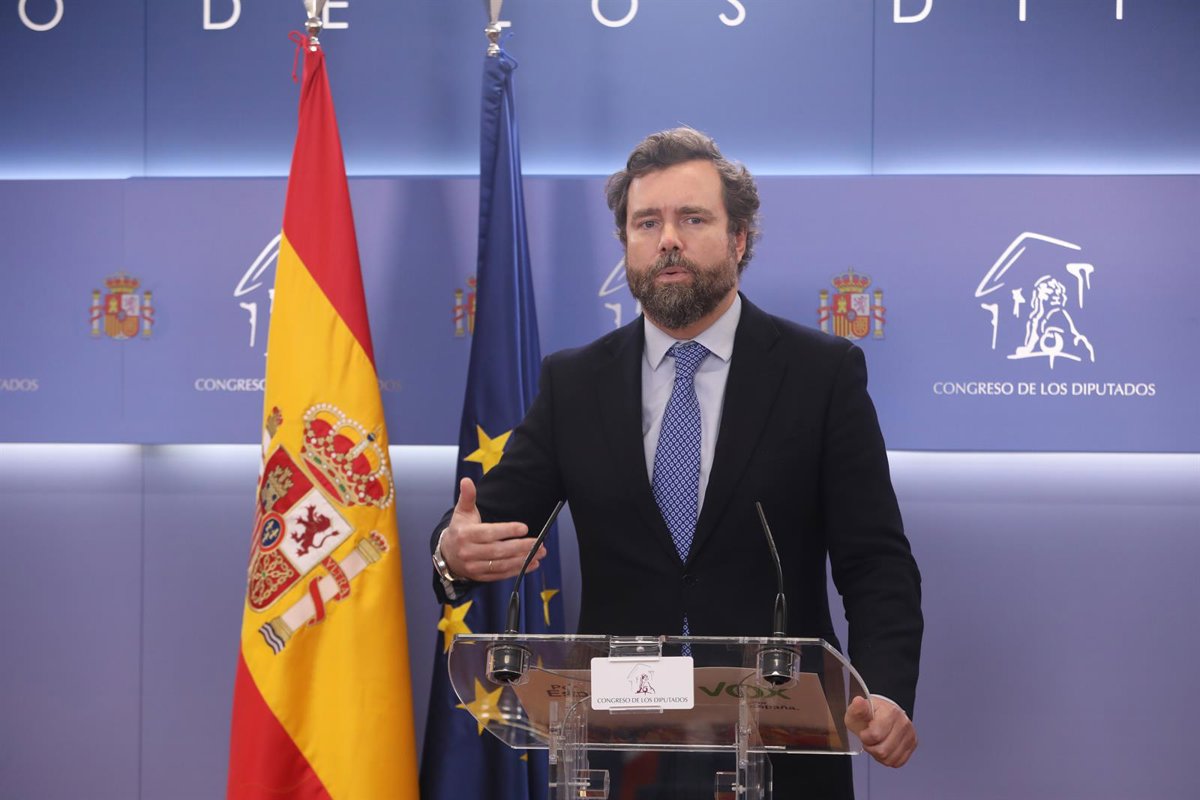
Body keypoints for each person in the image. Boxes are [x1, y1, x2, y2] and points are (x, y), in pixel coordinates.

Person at [431, 127, 922, 798]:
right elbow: (485, 525)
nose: (668, 239)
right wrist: (453, 554)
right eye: (647, 222)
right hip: (618, 752)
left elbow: (876, 561)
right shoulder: (575, 383)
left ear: (739, 238)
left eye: (692, 219)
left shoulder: (820, 374)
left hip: (781, 745)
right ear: (627, 243)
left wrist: (884, 689)